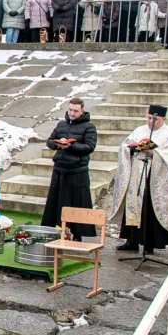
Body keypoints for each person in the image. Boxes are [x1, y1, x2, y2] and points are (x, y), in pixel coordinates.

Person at [108, 105, 168, 255]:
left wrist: (155, 153)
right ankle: (131, 241)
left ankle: (149, 244)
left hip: (156, 178)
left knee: (149, 209)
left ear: (164, 119)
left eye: (155, 119)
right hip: (137, 174)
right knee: (133, 206)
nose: (151, 121)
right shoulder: (140, 130)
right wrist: (133, 148)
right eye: (149, 118)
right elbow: (125, 147)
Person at [41, 99, 98, 237]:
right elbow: (49, 140)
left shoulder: (89, 127)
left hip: (77, 172)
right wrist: (56, 144)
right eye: (70, 110)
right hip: (59, 170)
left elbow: (89, 147)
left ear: (82, 111)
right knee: (56, 203)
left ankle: (76, 235)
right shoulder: (61, 124)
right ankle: (54, 232)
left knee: (75, 205)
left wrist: (71, 146)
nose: (72, 113)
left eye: (75, 111)